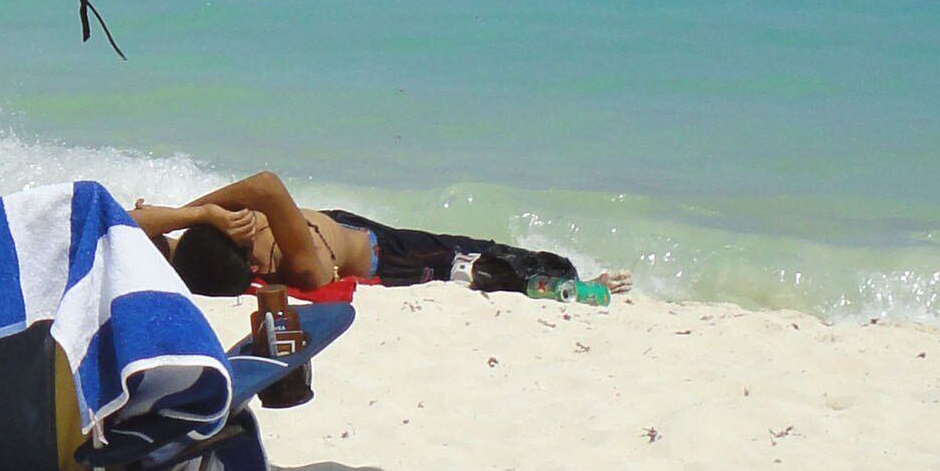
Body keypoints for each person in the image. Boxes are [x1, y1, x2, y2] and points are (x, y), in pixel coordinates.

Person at [133, 167, 622, 298]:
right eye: (243, 232)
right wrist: (203, 214)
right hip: (393, 257)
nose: (250, 223)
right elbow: (265, 185)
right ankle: (585, 286)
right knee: (498, 263)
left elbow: (125, 223)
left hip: (362, 227)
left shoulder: (194, 249)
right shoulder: (301, 264)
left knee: (491, 253)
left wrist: (194, 216)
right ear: (254, 266)